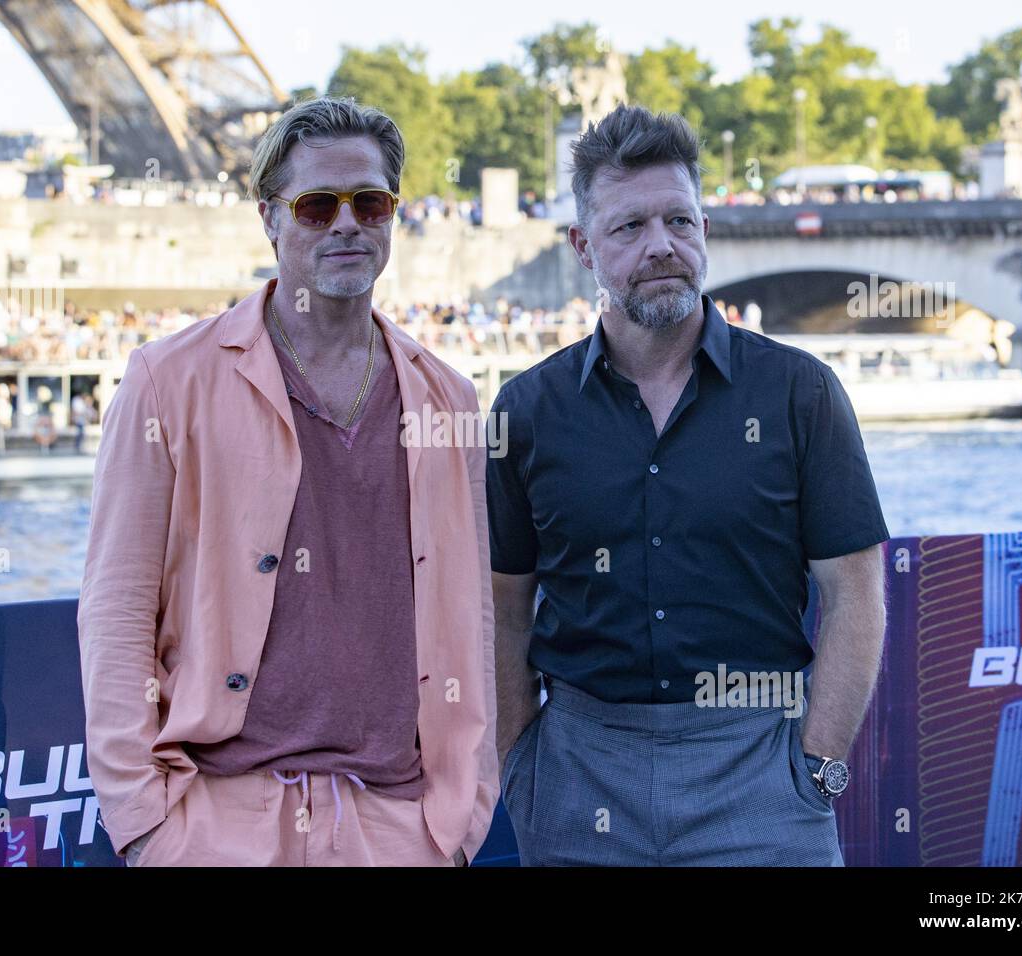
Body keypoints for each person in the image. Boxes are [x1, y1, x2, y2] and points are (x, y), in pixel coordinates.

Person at [79, 95, 497, 868]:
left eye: (369, 202)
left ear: (392, 216)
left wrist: (461, 818)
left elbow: (469, 613)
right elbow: (117, 609)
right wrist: (146, 826)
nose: (346, 224)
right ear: (269, 219)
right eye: (315, 206)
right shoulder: (166, 382)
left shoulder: (450, 399)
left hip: (403, 827)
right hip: (218, 822)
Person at [487, 104, 889, 866]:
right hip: (577, 779)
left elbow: (856, 592)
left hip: (763, 776)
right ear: (582, 246)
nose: (660, 245)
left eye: (680, 219)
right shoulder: (527, 411)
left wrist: (818, 767)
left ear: (706, 227)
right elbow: (503, 608)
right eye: (628, 227)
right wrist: (522, 765)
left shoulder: (800, 394)